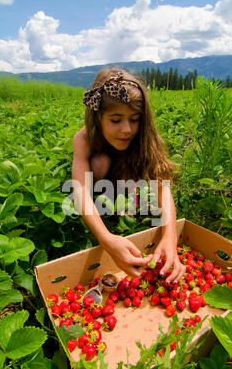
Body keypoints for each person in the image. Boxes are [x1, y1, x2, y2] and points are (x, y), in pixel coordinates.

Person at [71, 68, 185, 282]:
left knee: (131, 176)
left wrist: (170, 236)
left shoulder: (143, 136)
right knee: (99, 163)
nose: (127, 129)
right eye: (115, 120)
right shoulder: (84, 139)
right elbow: (80, 189)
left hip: (128, 178)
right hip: (103, 186)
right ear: (97, 117)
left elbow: (162, 184)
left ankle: (130, 204)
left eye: (134, 119)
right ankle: (109, 210)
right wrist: (106, 239)